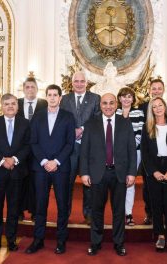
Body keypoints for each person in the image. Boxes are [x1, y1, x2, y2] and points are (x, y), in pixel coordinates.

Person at [80, 93, 137, 256]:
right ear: (100, 105)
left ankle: (119, 243)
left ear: (116, 104)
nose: (108, 106)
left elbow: (132, 150)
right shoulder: (91, 124)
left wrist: (132, 172)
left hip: (119, 174)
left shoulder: (125, 123)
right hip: (98, 174)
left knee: (118, 211)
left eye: (111, 103)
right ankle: (95, 243)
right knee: (96, 210)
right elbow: (84, 151)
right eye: (105, 103)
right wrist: (84, 172)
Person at [25, 85, 75, 254]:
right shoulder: (37, 117)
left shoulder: (68, 117)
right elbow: (33, 142)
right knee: (40, 205)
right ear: (46, 97)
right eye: (50, 95)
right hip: (41, 168)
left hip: (61, 168)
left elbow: (70, 143)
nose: (52, 98)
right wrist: (45, 161)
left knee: (62, 206)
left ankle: (61, 241)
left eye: (55, 95)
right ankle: (38, 240)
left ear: (60, 98)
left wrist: (57, 161)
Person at [0, 94, 31, 253]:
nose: (10, 106)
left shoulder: (25, 123)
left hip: (17, 172)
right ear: (2, 106)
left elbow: (28, 146)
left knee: (13, 208)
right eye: (7, 104)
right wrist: (2, 161)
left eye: (13, 103)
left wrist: (14, 159)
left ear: (17, 106)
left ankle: (11, 240)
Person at [141, 96, 167, 252]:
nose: (157, 108)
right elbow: (144, 153)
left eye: (160, 105)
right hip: (154, 168)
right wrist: (154, 172)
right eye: (154, 106)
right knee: (156, 204)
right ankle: (160, 235)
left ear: (165, 107)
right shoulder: (147, 126)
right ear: (151, 110)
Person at [60, 71, 101, 224]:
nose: (79, 84)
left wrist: (82, 129)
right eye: (76, 81)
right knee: (67, 182)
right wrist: (72, 131)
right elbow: (61, 119)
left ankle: (89, 214)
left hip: (89, 147)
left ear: (86, 82)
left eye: (82, 81)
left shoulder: (95, 98)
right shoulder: (64, 99)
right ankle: (65, 212)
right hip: (69, 148)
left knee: (88, 183)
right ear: (72, 83)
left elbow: (97, 119)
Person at [139, 78, 167, 225]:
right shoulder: (141, 107)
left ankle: (166, 218)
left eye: (159, 88)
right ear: (149, 90)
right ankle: (150, 213)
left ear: (163, 90)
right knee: (148, 189)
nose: (156, 91)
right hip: (150, 157)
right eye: (153, 88)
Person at [17, 77, 48, 221]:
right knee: (20, 181)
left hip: (39, 149)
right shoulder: (16, 103)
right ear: (23, 89)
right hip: (20, 149)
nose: (30, 89)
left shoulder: (45, 104)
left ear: (37, 89)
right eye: (27, 87)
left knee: (37, 182)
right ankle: (18, 211)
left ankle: (36, 212)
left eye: (33, 87)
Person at [116, 87, 144, 226]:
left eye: (129, 96)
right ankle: (119, 212)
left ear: (133, 99)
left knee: (130, 182)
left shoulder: (138, 112)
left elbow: (140, 133)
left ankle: (128, 213)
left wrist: (130, 148)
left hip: (135, 152)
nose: (126, 99)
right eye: (123, 96)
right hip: (116, 154)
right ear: (119, 98)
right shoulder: (115, 112)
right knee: (118, 182)